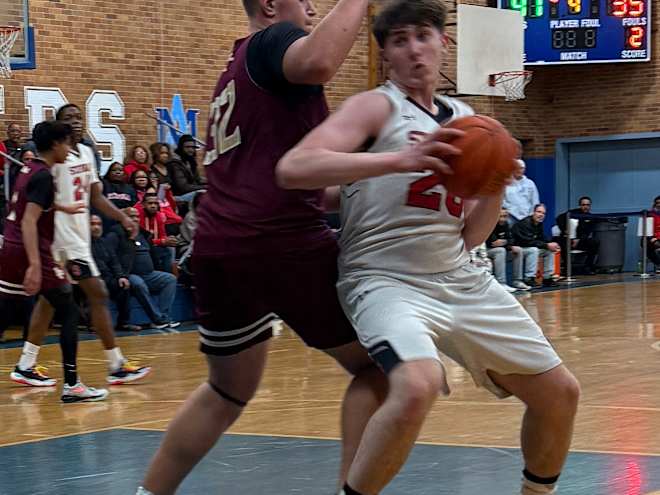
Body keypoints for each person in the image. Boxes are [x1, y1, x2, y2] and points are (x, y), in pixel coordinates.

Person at [277, 2, 580, 494]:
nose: (414, 49)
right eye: (399, 40)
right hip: (384, 279)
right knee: (416, 385)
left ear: (444, 44)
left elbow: (472, 236)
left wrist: (496, 184)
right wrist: (402, 158)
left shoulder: (469, 121)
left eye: (423, 36)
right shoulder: (375, 107)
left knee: (560, 393)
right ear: (386, 56)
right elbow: (293, 169)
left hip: (460, 276)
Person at [137, 1, 387, 494]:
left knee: (226, 390)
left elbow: (289, 183)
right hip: (281, 244)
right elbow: (319, 61)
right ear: (271, 4)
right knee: (379, 367)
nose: (315, 7)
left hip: (221, 248)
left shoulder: (235, 70)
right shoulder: (273, 43)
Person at [15, 103, 152, 387]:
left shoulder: (87, 153)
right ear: (59, 127)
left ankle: (26, 363)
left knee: (50, 301)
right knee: (98, 293)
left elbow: (96, 197)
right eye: (69, 119)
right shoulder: (53, 158)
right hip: (60, 238)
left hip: (79, 235)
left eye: (78, 117)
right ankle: (115, 364)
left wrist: (122, 217)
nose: (75, 122)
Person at [2, 121, 108, 402]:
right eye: (67, 143)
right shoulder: (46, 176)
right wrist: (36, 265)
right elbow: (29, 221)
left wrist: (64, 206)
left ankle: (28, 368)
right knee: (69, 311)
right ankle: (72, 384)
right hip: (29, 249)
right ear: (56, 144)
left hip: (10, 247)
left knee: (6, 313)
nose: (70, 149)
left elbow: (31, 203)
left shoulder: (30, 168)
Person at [109, 207, 179, 329]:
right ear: (122, 218)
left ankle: (164, 317)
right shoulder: (116, 234)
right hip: (129, 274)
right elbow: (112, 257)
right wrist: (120, 275)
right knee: (139, 284)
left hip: (148, 274)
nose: (135, 219)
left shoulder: (144, 234)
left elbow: (153, 254)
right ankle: (157, 319)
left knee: (170, 279)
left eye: (136, 216)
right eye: (131, 216)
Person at [90, 214, 141, 333]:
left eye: (98, 224)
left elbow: (114, 262)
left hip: (107, 278)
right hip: (89, 278)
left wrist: (121, 276)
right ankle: (93, 324)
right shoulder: (83, 244)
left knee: (123, 286)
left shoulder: (104, 242)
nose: (96, 227)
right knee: (93, 287)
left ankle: (123, 323)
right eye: (92, 224)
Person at [512, 204, 561, 288]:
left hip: (529, 247)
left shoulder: (539, 224)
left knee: (549, 250)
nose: (541, 215)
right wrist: (546, 245)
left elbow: (541, 238)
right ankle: (529, 278)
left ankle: (547, 278)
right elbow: (528, 241)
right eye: (539, 212)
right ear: (533, 212)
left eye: (543, 213)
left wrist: (551, 244)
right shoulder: (525, 223)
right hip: (518, 248)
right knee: (533, 250)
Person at [487, 207, 529, 292]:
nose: (502, 219)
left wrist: (505, 243)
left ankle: (517, 281)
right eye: (500, 216)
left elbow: (511, 240)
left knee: (518, 250)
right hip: (487, 251)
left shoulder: (506, 224)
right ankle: (501, 283)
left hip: (499, 250)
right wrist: (505, 243)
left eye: (505, 216)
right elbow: (492, 242)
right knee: (500, 250)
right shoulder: (490, 224)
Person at [556, 196, 600, 274]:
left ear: (590, 206)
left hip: (581, 241)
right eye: (583, 205)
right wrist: (565, 230)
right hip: (568, 239)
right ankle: (567, 269)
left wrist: (579, 239)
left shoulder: (591, 217)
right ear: (580, 205)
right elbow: (559, 218)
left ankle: (587, 267)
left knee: (594, 242)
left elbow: (587, 232)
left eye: (587, 205)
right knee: (562, 243)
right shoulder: (572, 212)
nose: (585, 207)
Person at [136, 193, 178, 272]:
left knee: (170, 248)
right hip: (140, 247)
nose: (153, 206)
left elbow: (162, 235)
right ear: (143, 204)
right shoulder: (138, 216)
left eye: (156, 203)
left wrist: (168, 240)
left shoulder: (158, 216)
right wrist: (162, 241)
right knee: (166, 251)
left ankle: (169, 277)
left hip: (154, 246)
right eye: (150, 203)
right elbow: (142, 241)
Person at [167, 134, 206, 202]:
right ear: (181, 147)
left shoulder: (190, 161)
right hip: (179, 196)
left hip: (190, 193)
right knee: (205, 193)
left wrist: (212, 183)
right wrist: (206, 187)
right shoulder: (175, 163)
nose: (191, 150)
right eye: (187, 147)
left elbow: (198, 179)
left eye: (193, 147)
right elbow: (183, 187)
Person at [503, 156, 540, 226]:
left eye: (521, 168)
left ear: (524, 170)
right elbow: (502, 201)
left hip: (527, 218)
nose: (519, 170)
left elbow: (535, 201)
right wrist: (509, 209)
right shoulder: (506, 184)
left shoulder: (530, 184)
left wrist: (531, 216)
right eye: (517, 168)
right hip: (510, 217)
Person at [646, 195, 660, 271]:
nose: (659, 205)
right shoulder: (649, 214)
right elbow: (647, 230)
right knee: (646, 244)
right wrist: (653, 239)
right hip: (652, 238)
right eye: (657, 203)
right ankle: (658, 264)